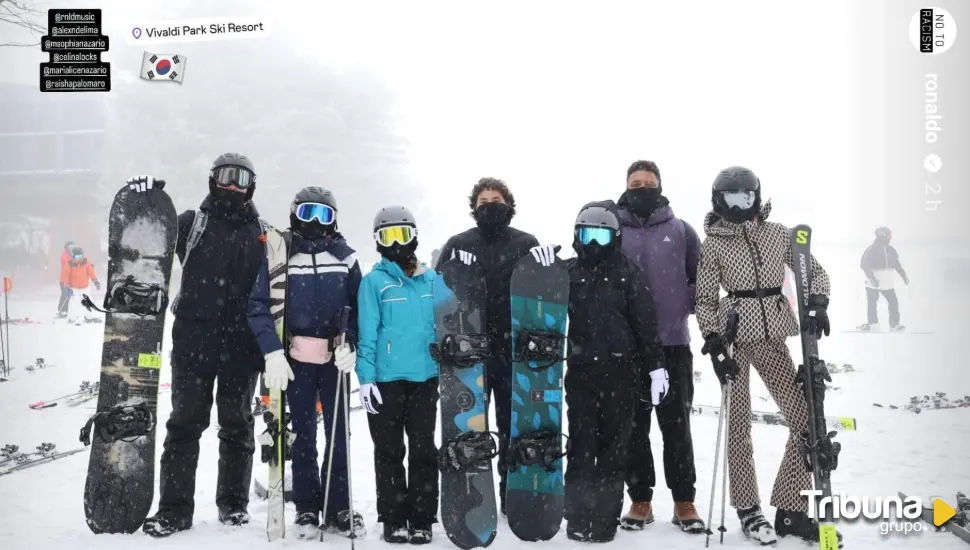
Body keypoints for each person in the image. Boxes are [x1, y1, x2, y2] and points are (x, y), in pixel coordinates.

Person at [693, 166, 839, 546]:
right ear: (718, 201)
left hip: (773, 338)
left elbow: (814, 272)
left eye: (745, 197)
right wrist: (713, 341)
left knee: (805, 421)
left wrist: (818, 300)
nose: (740, 205)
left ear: (756, 197)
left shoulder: (779, 235)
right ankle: (748, 508)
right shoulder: (714, 245)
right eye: (731, 198)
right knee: (739, 428)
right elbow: (706, 300)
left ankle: (790, 509)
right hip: (735, 340)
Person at [133, 153, 268, 537]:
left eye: (241, 179)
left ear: (251, 186)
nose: (233, 185)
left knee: (238, 427)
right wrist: (144, 199)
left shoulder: (262, 232)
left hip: (241, 351)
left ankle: (233, 506)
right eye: (226, 176)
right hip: (194, 346)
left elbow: (279, 287)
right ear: (213, 180)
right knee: (184, 427)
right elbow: (151, 235)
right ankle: (174, 511)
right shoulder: (193, 223)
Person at [547, 200, 669, 543]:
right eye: (587, 235)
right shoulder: (569, 272)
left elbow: (646, 326)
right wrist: (539, 264)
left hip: (621, 374)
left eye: (602, 236)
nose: (594, 244)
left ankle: (604, 518)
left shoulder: (629, 274)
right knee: (583, 446)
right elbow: (539, 297)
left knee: (614, 449)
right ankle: (577, 515)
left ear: (614, 237)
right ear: (576, 236)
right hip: (582, 374)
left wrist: (656, 367)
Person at [247, 186, 364, 538]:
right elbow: (258, 307)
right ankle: (308, 507)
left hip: (334, 360)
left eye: (324, 214)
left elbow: (361, 310)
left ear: (334, 220)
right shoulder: (280, 257)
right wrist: (272, 351)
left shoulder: (345, 257)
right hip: (295, 360)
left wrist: (352, 344)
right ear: (295, 213)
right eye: (309, 212)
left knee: (338, 433)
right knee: (302, 435)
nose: (315, 222)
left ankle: (338, 505)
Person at [434, 177, 554, 515]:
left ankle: (511, 490)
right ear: (473, 207)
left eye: (496, 199)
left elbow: (543, 292)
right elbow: (441, 293)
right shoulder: (458, 243)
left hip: (514, 351)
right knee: (469, 424)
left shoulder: (525, 242)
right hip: (469, 354)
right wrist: (454, 271)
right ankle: (470, 492)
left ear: (509, 204)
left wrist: (546, 266)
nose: (489, 205)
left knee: (515, 424)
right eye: (483, 200)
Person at [616, 160, 704, 533]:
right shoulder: (611, 229)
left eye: (648, 183)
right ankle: (641, 500)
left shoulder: (682, 231)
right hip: (627, 348)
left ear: (660, 187)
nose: (642, 188)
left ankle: (684, 500)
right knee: (633, 428)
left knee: (677, 427)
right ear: (625, 187)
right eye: (635, 183)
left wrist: (713, 328)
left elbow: (700, 283)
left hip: (673, 344)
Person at [356, 205, 439, 544]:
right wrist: (365, 379)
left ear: (414, 236)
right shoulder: (373, 282)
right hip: (387, 381)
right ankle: (394, 519)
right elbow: (367, 334)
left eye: (402, 235)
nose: (395, 243)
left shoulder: (432, 279)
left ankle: (421, 517)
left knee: (423, 450)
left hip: (424, 378)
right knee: (389, 452)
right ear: (377, 241)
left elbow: (449, 321)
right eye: (386, 236)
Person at [857, 226, 908, 332]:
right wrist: (871, 277)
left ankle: (894, 325)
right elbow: (864, 264)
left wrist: (904, 276)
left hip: (887, 282)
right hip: (873, 282)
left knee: (893, 302)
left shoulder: (891, 250)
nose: (891, 237)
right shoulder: (872, 249)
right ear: (883, 235)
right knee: (872, 302)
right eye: (889, 234)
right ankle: (873, 324)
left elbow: (897, 264)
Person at [57, 243, 100, 317]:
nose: (78, 258)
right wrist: (66, 285)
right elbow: (66, 275)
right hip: (74, 287)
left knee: (87, 300)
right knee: (74, 302)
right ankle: (73, 316)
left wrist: (95, 281)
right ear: (73, 256)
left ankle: (89, 315)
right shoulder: (69, 263)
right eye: (77, 256)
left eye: (80, 256)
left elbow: (91, 272)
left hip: (84, 286)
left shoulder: (86, 262)